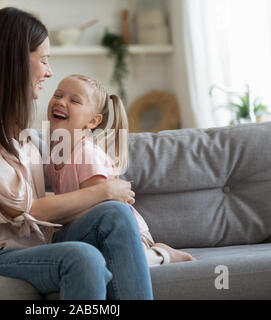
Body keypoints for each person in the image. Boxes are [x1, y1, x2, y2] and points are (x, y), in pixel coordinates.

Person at [0, 7, 153, 299]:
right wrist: (104, 191)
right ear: (15, 61)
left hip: (39, 242)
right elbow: (23, 208)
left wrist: (106, 195)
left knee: (115, 215)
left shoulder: (14, 126)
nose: (49, 72)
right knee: (84, 258)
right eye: (44, 60)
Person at [45, 74, 197, 266]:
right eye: (58, 95)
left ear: (92, 121)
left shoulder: (87, 155)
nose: (61, 102)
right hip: (90, 233)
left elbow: (103, 212)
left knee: (115, 264)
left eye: (74, 100)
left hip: (125, 234)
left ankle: (162, 254)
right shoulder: (54, 156)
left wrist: (56, 218)